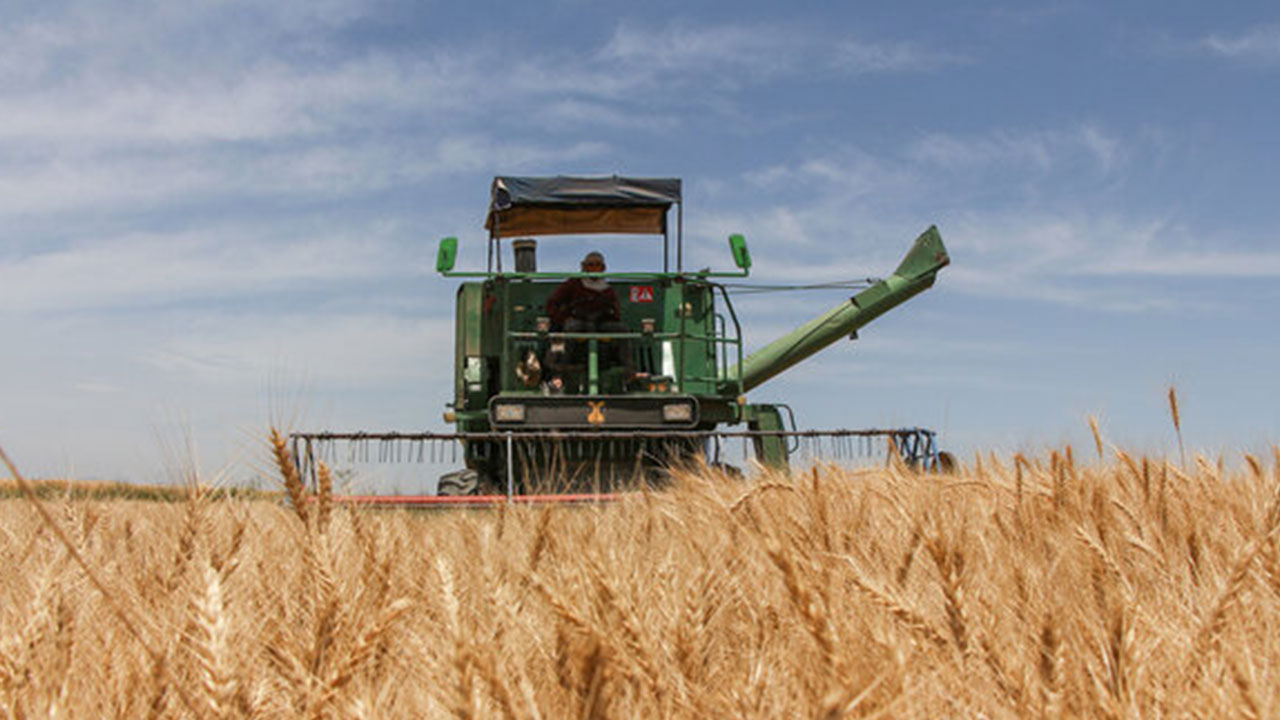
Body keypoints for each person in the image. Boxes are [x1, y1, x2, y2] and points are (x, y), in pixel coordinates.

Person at [545, 251, 636, 380]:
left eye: (597, 265)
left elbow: (616, 312)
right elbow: (552, 303)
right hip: (578, 321)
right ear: (584, 266)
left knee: (623, 331)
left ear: (603, 268)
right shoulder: (574, 284)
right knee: (570, 330)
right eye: (591, 265)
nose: (594, 268)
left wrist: (608, 315)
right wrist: (563, 319)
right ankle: (561, 372)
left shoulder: (608, 290)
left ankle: (628, 371)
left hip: (601, 323)